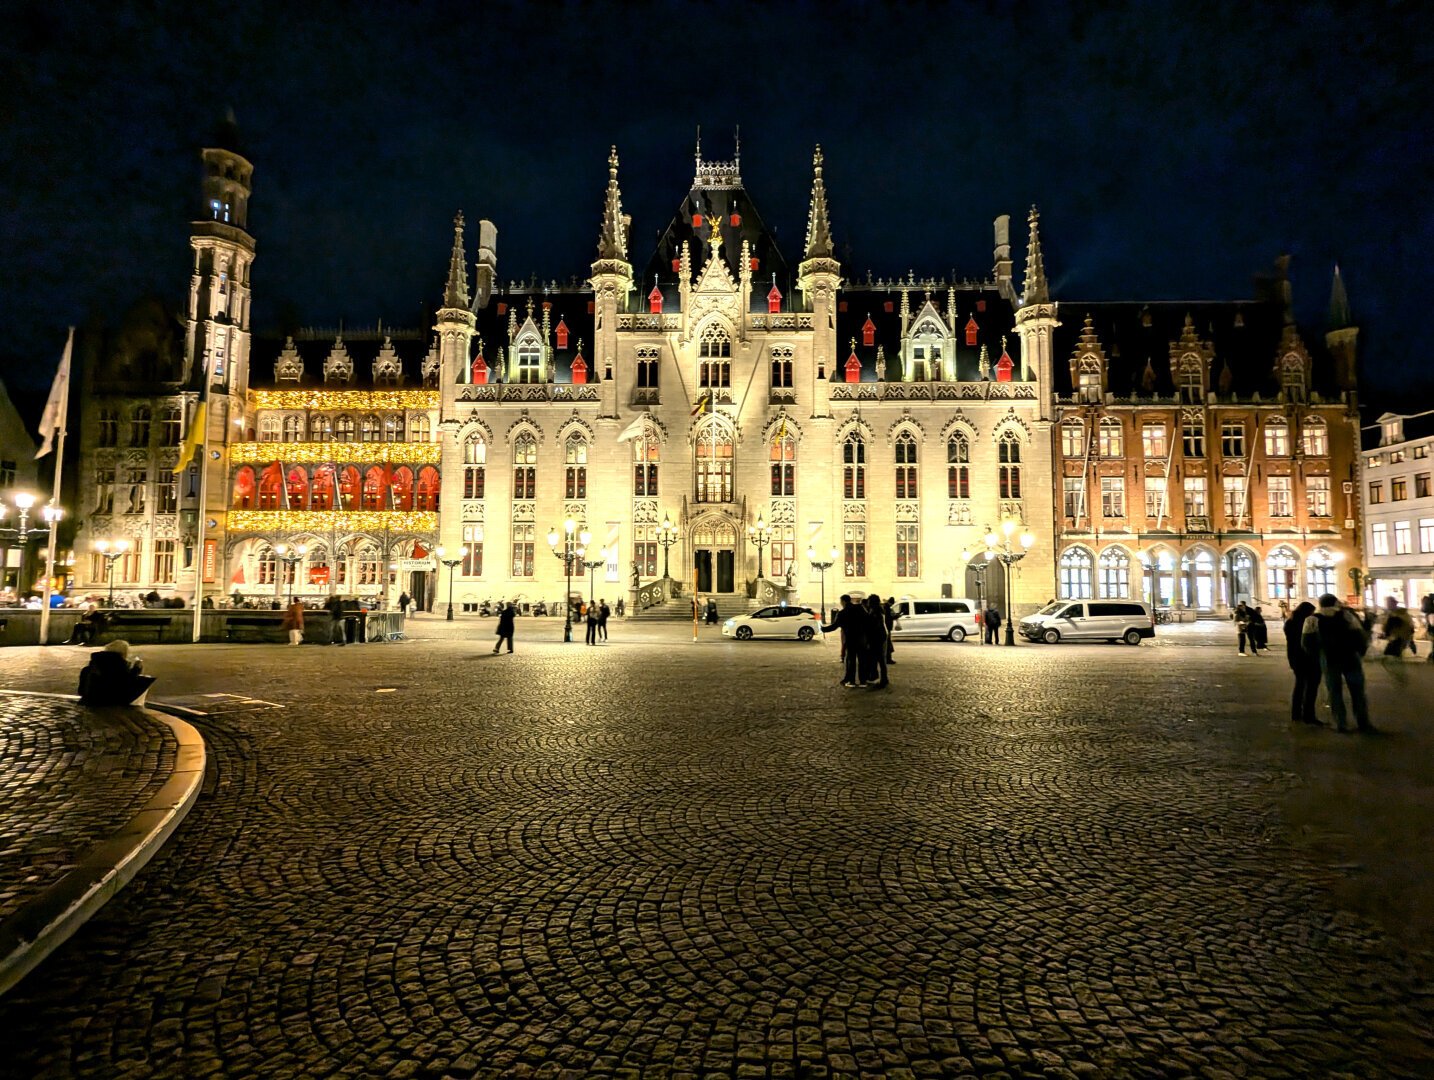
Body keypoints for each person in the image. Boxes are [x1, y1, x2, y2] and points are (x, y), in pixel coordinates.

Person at [1302, 593, 1373, 733]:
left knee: (1334, 692)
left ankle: (1341, 723)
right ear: (1335, 602)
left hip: (1329, 658)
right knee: (1357, 691)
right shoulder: (1347, 615)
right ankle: (1363, 723)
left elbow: (1306, 643)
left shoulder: (1312, 619)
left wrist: (1318, 655)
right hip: (1350, 657)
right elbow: (1360, 635)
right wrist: (1361, 652)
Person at [77, 640, 155, 706]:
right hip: (108, 702)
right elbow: (126, 684)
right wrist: (137, 669)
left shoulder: (89, 668)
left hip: (88, 701)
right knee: (143, 680)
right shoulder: (119, 666)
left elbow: (81, 690)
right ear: (123, 653)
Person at [1283, 601, 1321, 725]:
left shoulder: (1289, 622)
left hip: (1294, 657)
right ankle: (1309, 715)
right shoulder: (1307, 623)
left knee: (1299, 685)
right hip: (1307, 658)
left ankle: (1296, 713)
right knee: (1311, 687)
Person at [820, 594, 868, 688]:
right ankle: (863, 681)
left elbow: (835, 626)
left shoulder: (843, 613)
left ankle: (852, 681)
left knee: (851, 660)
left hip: (851, 639)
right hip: (861, 638)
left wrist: (823, 629)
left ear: (843, 602)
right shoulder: (860, 609)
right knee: (862, 660)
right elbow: (867, 620)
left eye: (841, 601)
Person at [861, 595, 889, 689]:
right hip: (881, 636)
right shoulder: (879, 610)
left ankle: (882, 679)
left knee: (879, 659)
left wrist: (869, 641)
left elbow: (873, 627)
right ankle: (882, 678)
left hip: (877, 638)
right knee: (881, 659)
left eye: (869, 601)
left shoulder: (875, 612)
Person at [883, 597, 896, 664]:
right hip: (887, 628)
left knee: (888, 644)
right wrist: (895, 616)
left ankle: (888, 658)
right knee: (888, 644)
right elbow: (889, 618)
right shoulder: (887, 608)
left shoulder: (885, 607)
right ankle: (888, 658)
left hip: (887, 628)